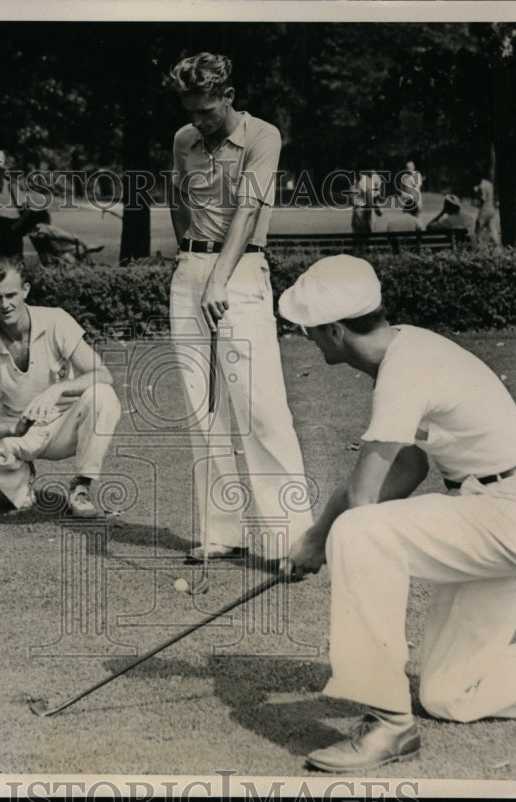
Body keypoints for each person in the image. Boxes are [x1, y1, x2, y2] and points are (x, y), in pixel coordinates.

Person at [278, 255, 516, 773]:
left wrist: (320, 538)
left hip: (506, 518)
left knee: (359, 532)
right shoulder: (405, 350)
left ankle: (387, 724)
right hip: (497, 515)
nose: (307, 338)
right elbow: (408, 467)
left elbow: (364, 501)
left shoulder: (403, 369)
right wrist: (324, 540)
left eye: (309, 330)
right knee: (451, 694)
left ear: (337, 331)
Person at [167, 52, 313, 563]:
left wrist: (219, 278)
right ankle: (221, 530)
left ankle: (290, 536)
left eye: (206, 111)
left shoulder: (262, 136)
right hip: (191, 276)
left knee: (261, 407)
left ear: (227, 97)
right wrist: (193, 264)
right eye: (190, 110)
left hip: (242, 276)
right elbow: (177, 200)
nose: (197, 122)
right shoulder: (185, 140)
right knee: (201, 408)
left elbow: (248, 212)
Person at [0, 257, 121, 517]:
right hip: (22, 432)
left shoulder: (56, 320)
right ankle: (22, 481)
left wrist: (57, 389)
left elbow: (102, 373)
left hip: (65, 425)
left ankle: (81, 486)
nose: (5, 305)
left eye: (11, 294)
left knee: (103, 395)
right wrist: (13, 428)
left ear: (26, 290)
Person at [18, 209, 104, 266]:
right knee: (83, 247)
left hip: (52, 258)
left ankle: (88, 248)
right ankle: (89, 249)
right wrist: (82, 243)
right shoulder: (48, 229)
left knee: (80, 247)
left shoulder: (34, 232)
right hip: (65, 256)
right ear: (45, 218)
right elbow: (72, 238)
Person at [351, 170, 383, 235]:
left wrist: (368, 220)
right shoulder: (356, 181)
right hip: (357, 211)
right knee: (359, 236)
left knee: (365, 235)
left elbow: (370, 199)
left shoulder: (366, 181)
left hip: (364, 212)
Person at [472, 177, 501, 247]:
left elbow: (483, 199)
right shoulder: (489, 184)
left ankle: (475, 247)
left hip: (484, 211)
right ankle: (498, 247)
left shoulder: (481, 186)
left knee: (477, 230)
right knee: (493, 231)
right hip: (491, 209)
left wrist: (476, 192)